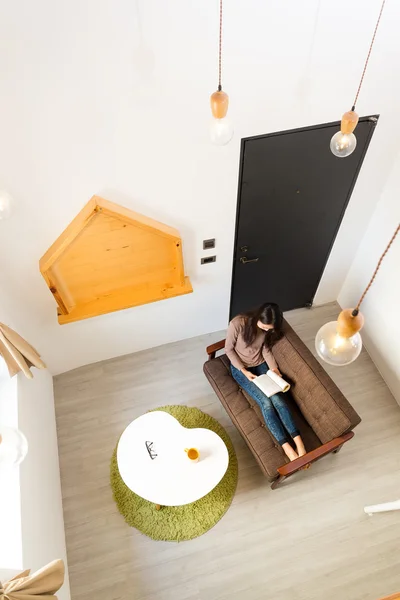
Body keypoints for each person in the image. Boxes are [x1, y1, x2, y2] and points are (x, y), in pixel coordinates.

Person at [225, 302, 306, 462]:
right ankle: (287, 447)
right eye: (264, 327)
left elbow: (265, 350)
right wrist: (244, 371)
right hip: (241, 369)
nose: (266, 331)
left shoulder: (269, 329)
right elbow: (229, 350)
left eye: (269, 329)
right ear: (257, 317)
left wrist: (274, 370)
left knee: (278, 400)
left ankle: (299, 443)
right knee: (266, 403)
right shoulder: (238, 324)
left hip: (261, 365)